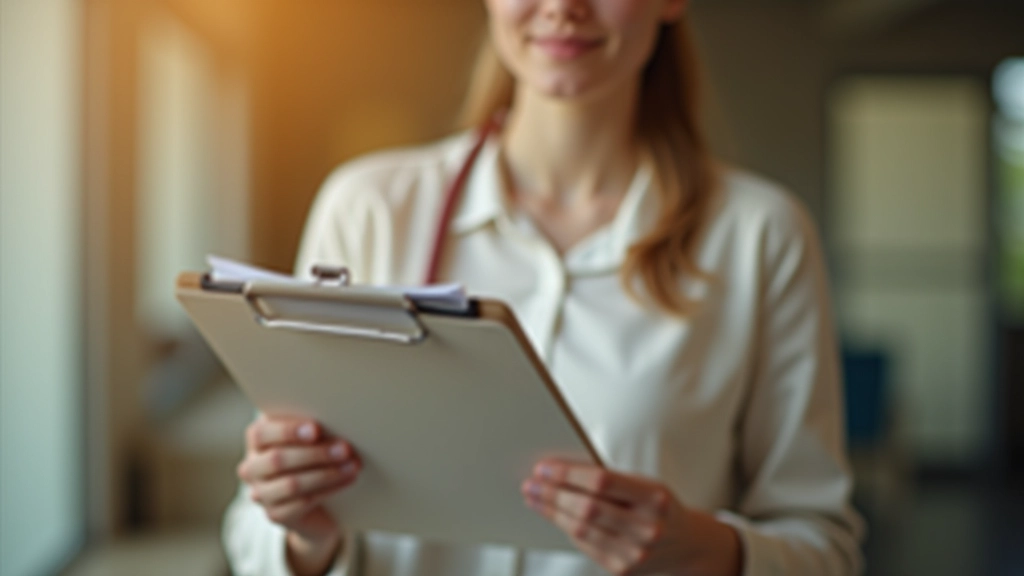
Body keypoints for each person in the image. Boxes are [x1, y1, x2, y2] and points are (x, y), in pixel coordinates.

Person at [223, 0, 865, 574]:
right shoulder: (368, 210)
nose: (563, 7)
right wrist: (304, 537)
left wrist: (701, 549)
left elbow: (826, 550)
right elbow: (251, 534)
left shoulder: (760, 236)